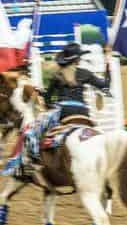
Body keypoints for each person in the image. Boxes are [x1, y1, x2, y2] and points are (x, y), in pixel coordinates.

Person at [3, 43, 109, 178]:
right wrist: (108, 66)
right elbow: (105, 85)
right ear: (77, 60)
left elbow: (47, 100)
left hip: (63, 111)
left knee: (32, 130)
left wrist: (43, 95)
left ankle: (31, 161)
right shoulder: (86, 73)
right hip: (83, 112)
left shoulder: (57, 75)